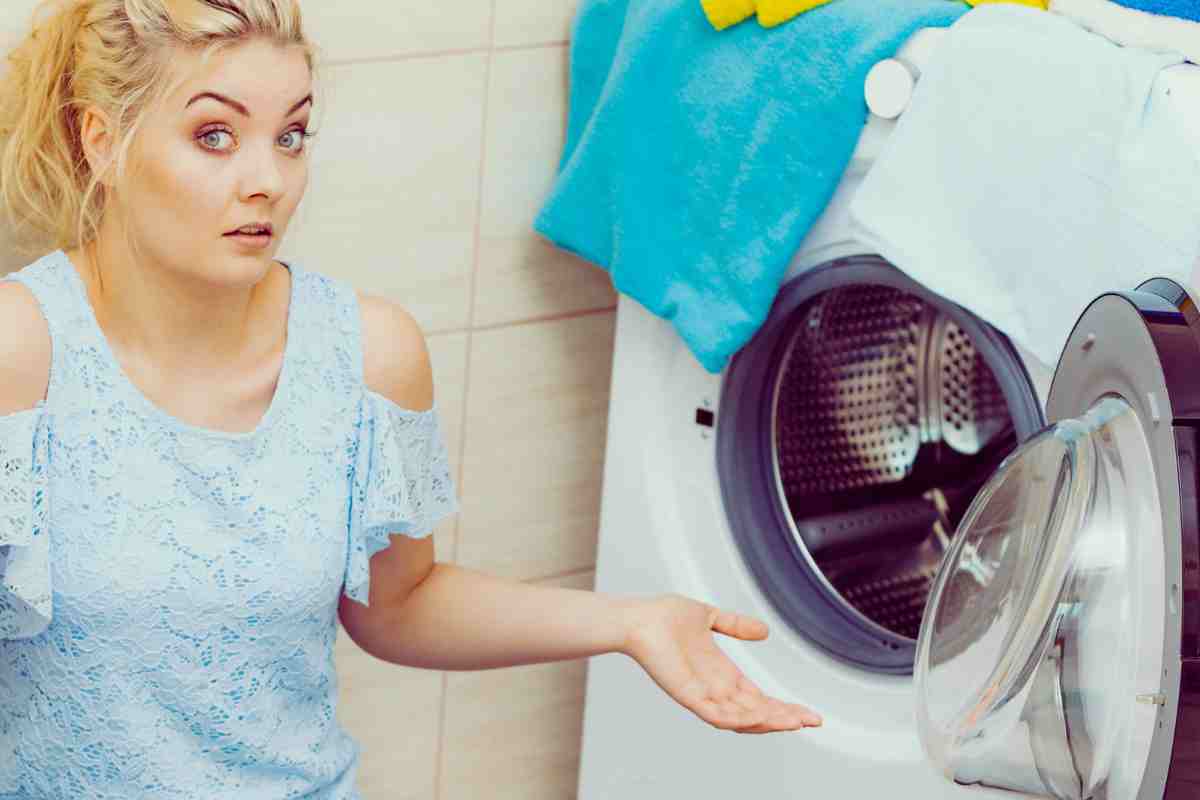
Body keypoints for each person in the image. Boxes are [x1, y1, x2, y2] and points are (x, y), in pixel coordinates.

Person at [0, 1, 822, 796]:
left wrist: (632, 622)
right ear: (101, 140)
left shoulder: (369, 355)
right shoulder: (23, 351)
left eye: (290, 136)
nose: (267, 182)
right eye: (214, 136)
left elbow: (398, 605)